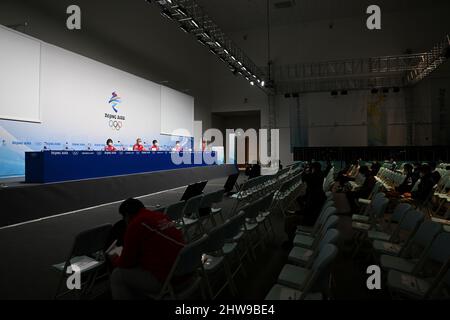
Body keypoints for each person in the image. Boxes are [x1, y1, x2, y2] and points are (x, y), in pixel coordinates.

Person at [109, 198, 185, 300]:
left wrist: (114, 256)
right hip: (186, 270)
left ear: (126, 216)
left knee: (117, 275)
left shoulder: (136, 224)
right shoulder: (160, 216)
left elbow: (125, 263)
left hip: (171, 280)